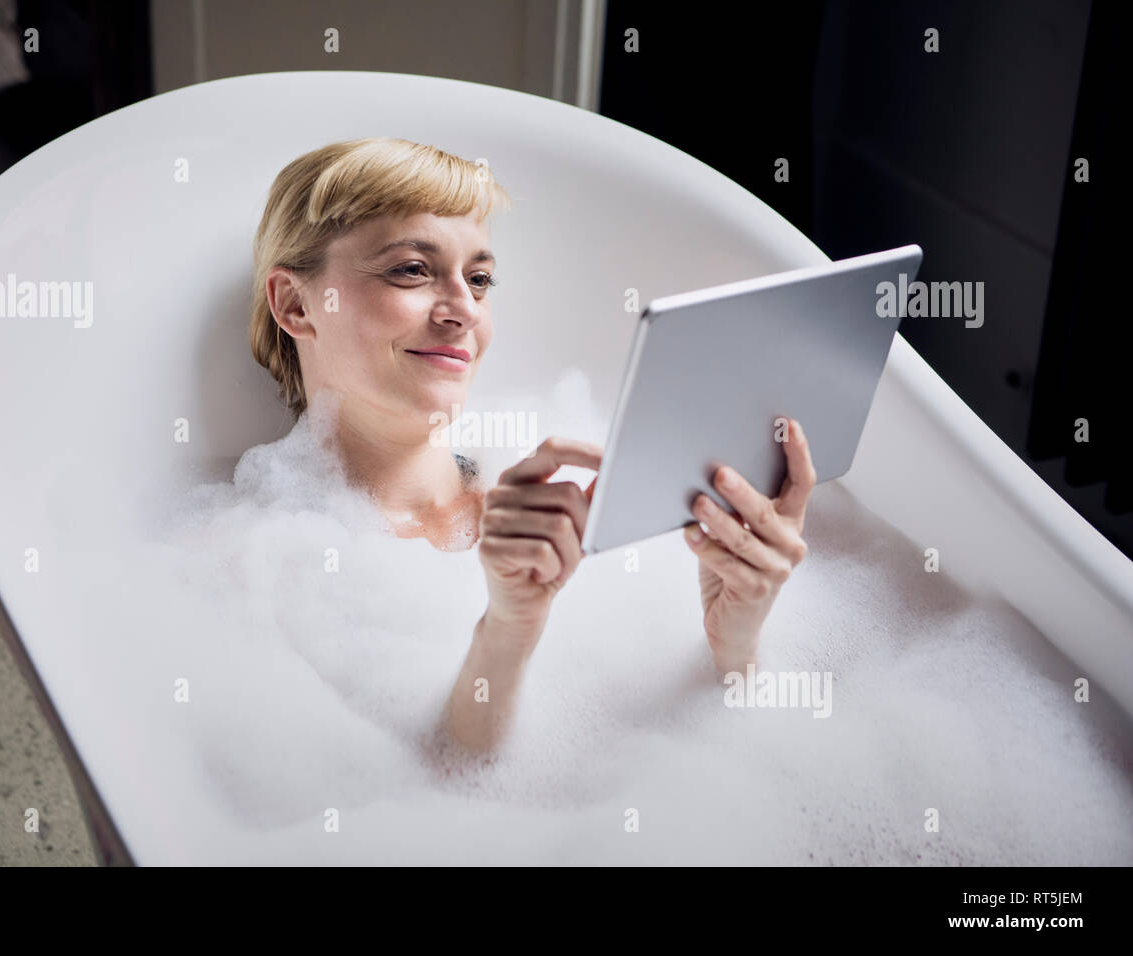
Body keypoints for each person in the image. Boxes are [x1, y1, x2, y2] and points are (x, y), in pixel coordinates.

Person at [251, 137, 816, 752]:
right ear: (296, 304)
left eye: (481, 278)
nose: (464, 309)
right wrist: (508, 630)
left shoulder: (585, 507)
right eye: (411, 269)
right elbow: (422, 815)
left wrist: (734, 649)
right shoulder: (267, 567)